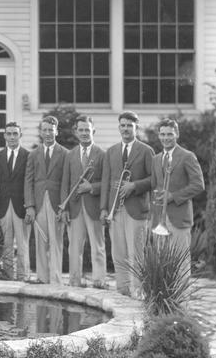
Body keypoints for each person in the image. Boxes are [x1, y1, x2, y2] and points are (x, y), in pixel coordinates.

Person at [100, 111, 154, 297]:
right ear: (119, 128)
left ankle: (138, 293)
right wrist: (103, 208)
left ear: (136, 128)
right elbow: (106, 182)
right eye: (122, 125)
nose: (125, 129)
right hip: (115, 210)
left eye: (129, 125)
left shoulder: (146, 150)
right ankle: (122, 292)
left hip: (136, 210)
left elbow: (154, 179)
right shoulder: (111, 151)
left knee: (136, 255)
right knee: (118, 254)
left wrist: (134, 185)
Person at [150, 118, 204, 277]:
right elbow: (154, 186)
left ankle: (183, 301)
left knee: (181, 262)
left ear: (177, 134)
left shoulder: (187, 156)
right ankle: (166, 300)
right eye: (163, 134)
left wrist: (173, 196)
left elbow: (199, 185)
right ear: (159, 136)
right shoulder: (156, 159)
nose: (166, 138)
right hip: (159, 218)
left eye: (170, 134)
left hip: (179, 218)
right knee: (161, 261)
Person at [60, 115, 106, 288]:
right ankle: (74, 280)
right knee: (74, 248)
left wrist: (91, 187)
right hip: (74, 207)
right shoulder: (70, 155)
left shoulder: (102, 154)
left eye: (87, 130)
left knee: (98, 246)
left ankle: (99, 281)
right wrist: (64, 208)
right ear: (76, 132)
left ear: (93, 131)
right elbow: (65, 182)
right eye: (81, 130)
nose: (85, 133)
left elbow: (107, 183)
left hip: (94, 206)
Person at [24, 116, 68, 284]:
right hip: (39, 202)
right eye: (45, 130)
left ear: (57, 131)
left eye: (51, 130)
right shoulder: (34, 154)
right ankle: (42, 277)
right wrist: (29, 206)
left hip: (57, 203)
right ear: (40, 132)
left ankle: (56, 279)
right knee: (41, 241)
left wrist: (64, 206)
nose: (48, 133)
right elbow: (28, 180)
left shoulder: (64, 153)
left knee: (56, 241)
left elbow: (66, 181)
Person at [0, 121, 30, 281]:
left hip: (22, 206)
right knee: (6, 245)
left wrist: (30, 206)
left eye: (15, 134)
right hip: (3, 206)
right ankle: (8, 276)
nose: (12, 137)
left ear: (20, 135)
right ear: (4, 136)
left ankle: (23, 276)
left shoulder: (28, 156)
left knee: (22, 244)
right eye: (9, 134)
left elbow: (30, 183)